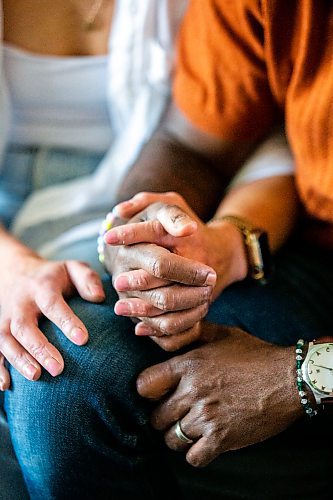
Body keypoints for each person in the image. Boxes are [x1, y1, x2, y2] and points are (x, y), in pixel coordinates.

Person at [0, 0, 304, 498]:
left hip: (178, 210)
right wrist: (10, 270)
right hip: (10, 237)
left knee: (68, 375)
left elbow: (266, 137)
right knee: (42, 361)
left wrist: (219, 244)